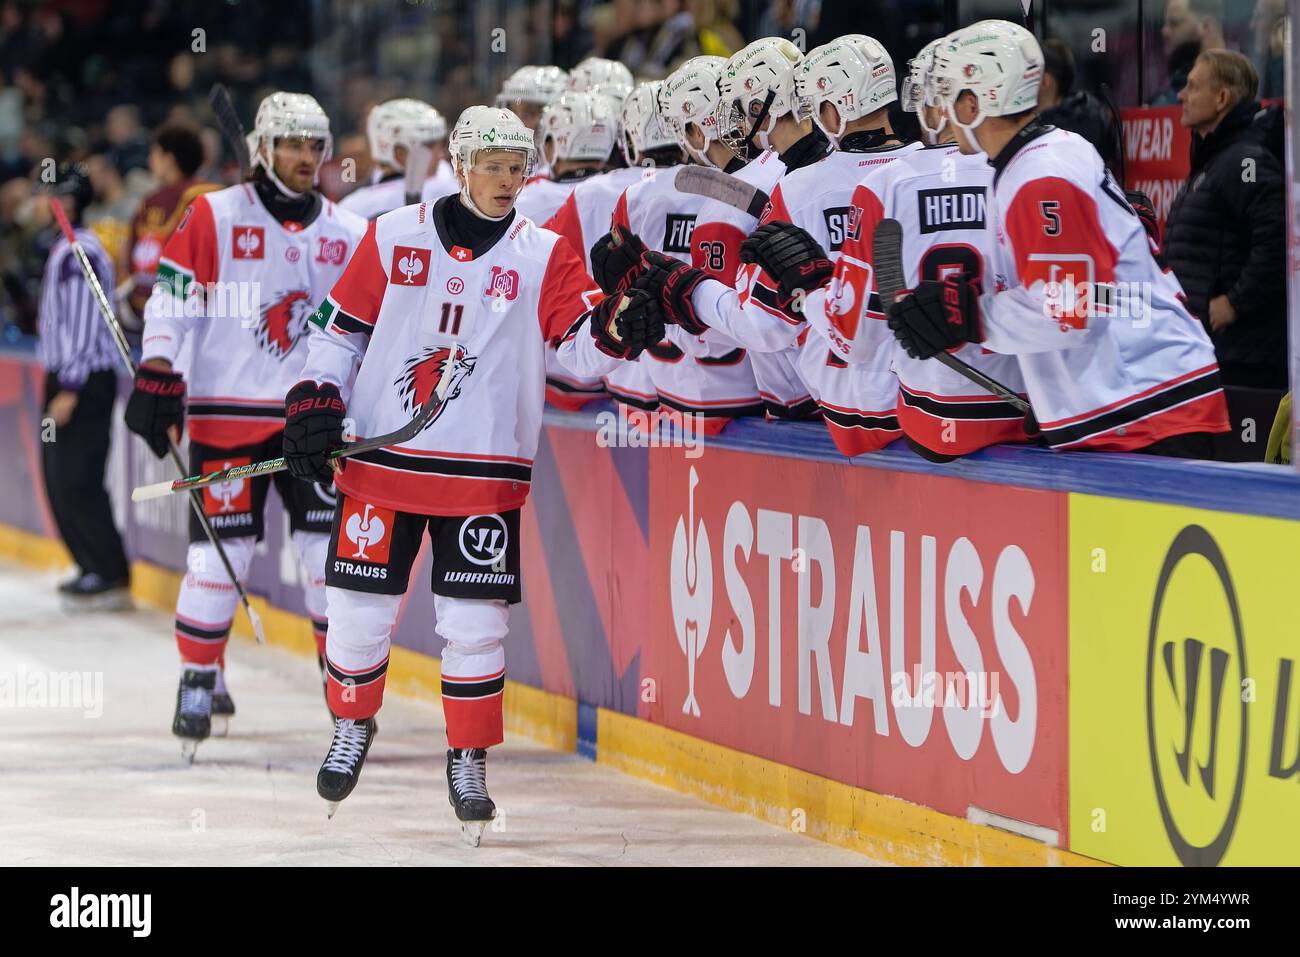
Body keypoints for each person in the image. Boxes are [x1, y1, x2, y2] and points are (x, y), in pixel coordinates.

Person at [286, 105, 606, 845]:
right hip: (381, 465)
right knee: (356, 617)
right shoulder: (393, 234)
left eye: (516, 165)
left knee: (474, 629)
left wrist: (627, 320)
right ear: (458, 166)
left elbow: (584, 350)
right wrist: (314, 396)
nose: (505, 178)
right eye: (490, 164)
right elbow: (337, 334)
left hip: (480, 473)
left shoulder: (544, 252)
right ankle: (351, 722)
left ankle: (468, 758)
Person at [126, 92, 369, 760]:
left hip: (313, 423)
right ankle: (199, 676)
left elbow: (362, 329)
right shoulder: (213, 215)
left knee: (327, 561)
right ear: (263, 148)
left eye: (315, 147)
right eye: (292, 144)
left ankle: (342, 691)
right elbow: (173, 300)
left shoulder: (348, 233)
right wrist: (158, 371)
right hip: (226, 415)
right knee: (219, 556)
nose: (305, 158)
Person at [883, 20, 1230, 456]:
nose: (940, 114)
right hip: (1126, 400)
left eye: (947, 98)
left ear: (974, 103)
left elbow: (1067, 310)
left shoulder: (1041, 175)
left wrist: (963, 315)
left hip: (1146, 404)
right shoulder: (1040, 155)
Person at [543, 82, 679, 410]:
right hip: (702, 383)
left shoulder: (592, 194)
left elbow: (542, 275)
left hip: (607, 375)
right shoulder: (712, 185)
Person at [37, 163, 131, 607]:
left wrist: (70, 386)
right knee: (59, 475)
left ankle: (107, 570)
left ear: (66, 201)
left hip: (83, 380)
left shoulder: (79, 250)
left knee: (77, 475)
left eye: (47, 194)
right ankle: (91, 565)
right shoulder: (65, 247)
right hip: (67, 377)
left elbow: (80, 321)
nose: (39, 202)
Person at [1165, 50, 1286, 391]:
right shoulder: (1215, 161)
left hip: (1242, 359)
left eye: (1192, 86)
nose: (1180, 95)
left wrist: (1234, 303)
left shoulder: (1246, 161)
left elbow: (1278, 243)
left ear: (1221, 98)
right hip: (1213, 351)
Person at [123, 124, 220, 323]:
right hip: (205, 308)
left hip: (165, 310)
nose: (150, 161)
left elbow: (132, 257)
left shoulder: (153, 202)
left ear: (168, 159)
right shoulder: (219, 194)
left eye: (154, 154)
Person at [342, 99, 448, 220]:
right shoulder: (447, 193)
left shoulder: (350, 208)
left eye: (441, 144)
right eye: (429, 146)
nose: (441, 155)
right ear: (400, 154)